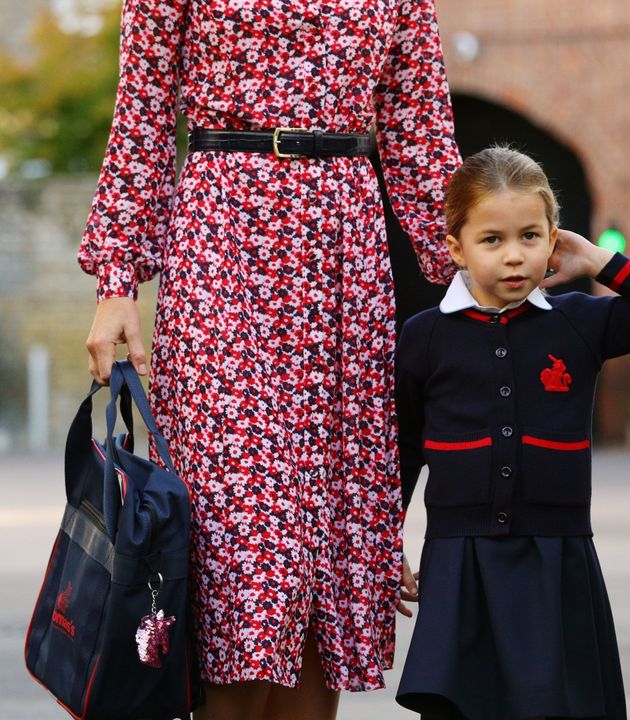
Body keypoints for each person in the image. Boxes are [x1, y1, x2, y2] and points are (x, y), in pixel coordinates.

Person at [78, 1, 460, 717]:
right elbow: (145, 112)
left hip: (344, 249)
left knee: (327, 540)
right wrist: (117, 281)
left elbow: (421, 134)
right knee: (240, 545)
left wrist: (489, 275)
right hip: (224, 236)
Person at [394, 146, 630, 720]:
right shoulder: (425, 336)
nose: (514, 256)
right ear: (456, 247)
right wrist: (385, 546)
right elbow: (405, 449)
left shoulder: (577, 322)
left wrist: (597, 262)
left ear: (552, 238)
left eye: (530, 237)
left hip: (556, 559)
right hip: (460, 562)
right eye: (492, 241)